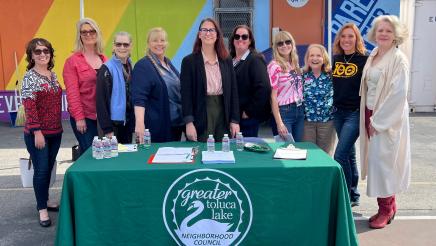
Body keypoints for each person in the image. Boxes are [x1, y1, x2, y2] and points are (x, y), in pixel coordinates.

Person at [359, 15, 411, 229]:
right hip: (370, 113)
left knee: (385, 163)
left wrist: (378, 121)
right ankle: (387, 205)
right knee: (376, 163)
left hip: (387, 119)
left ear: (396, 35)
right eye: (380, 30)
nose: (383, 34)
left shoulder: (399, 59)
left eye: (388, 31)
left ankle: (386, 209)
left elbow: (398, 95)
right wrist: (368, 116)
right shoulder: (374, 54)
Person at [21, 38, 62, 227]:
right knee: (41, 170)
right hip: (38, 134)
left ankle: (45, 200)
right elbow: (29, 107)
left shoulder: (52, 75)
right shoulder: (29, 77)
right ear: (31, 55)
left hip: (56, 131)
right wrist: (37, 131)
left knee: (49, 167)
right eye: (37, 51)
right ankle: (42, 210)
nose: (42, 54)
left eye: (46, 50)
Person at [180, 18, 240, 142]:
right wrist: (189, 123)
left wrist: (234, 120)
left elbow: (233, 91)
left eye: (212, 30)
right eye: (204, 30)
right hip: (201, 112)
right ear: (199, 34)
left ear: (217, 35)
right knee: (202, 149)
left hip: (223, 111)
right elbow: (186, 95)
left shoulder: (226, 60)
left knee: (223, 150)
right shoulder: (189, 62)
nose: (208, 33)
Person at [332, 23, 368, 207]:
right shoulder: (336, 58)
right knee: (349, 155)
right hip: (338, 112)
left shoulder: (365, 59)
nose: (346, 40)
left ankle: (345, 195)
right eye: (343, 36)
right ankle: (354, 194)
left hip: (355, 113)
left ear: (357, 39)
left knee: (339, 155)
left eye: (350, 36)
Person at [131, 27, 184, 142]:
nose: (159, 44)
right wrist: (139, 123)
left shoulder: (168, 63)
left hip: (176, 124)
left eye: (162, 40)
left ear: (167, 43)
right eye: (155, 40)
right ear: (148, 44)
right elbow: (139, 98)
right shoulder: (143, 66)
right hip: (158, 127)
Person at [63, 18, 107, 156]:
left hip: (103, 117)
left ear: (97, 33)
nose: (88, 34)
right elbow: (72, 93)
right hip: (85, 118)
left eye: (92, 31)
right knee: (91, 154)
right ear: (79, 36)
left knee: (105, 154)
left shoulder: (104, 58)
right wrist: (79, 118)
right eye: (84, 32)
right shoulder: (72, 62)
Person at [228, 25, 271, 137]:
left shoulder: (255, 59)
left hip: (247, 118)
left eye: (244, 37)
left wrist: (248, 112)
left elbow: (264, 88)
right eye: (237, 36)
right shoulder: (230, 61)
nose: (240, 39)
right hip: (233, 117)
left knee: (245, 151)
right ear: (233, 40)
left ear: (250, 40)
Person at [96, 31, 134, 144]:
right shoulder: (106, 68)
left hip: (126, 124)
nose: (122, 47)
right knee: (111, 160)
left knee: (125, 160)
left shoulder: (131, 65)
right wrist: (107, 130)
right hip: (112, 126)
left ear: (130, 46)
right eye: (118, 44)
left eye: (125, 44)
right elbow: (101, 102)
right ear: (114, 46)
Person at [268, 31, 304, 141]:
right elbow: (273, 97)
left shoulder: (294, 63)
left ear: (292, 44)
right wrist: (279, 123)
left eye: (287, 42)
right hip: (284, 112)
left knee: (297, 148)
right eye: (280, 43)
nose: (284, 45)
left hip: (299, 109)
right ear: (276, 47)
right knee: (287, 150)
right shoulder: (274, 66)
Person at [302, 44, 335, 155]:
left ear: (324, 58)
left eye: (318, 55)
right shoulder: (302, 75)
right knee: (309, 155)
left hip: (327, 122)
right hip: (307, 123)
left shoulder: (331, 75)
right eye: (312, 55)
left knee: (325, 156)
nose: (315, 58)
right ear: (307, 58)